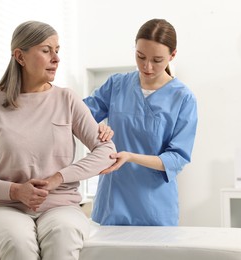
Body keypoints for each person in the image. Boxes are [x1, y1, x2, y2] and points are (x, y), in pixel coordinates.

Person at [0, 20, 116, 260]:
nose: (56, 58)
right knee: (17, 242)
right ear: (20, 56)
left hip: (61, 205)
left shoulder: (67, 100)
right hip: (3, 208)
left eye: (57, 50)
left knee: (62, 235)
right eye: (46, 50)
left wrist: (58, 178)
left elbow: (106, 150)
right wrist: (14, 191)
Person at [83, 18, 198, 226]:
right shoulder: (116, 85)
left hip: (154, 207)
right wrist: (96, 125)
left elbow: (176, 158)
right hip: (112, 202)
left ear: (172, 55)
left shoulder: (183, 98)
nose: (147, 66)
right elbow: (80, 116)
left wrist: (130, 157)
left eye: (157, 60)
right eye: (140, 56)